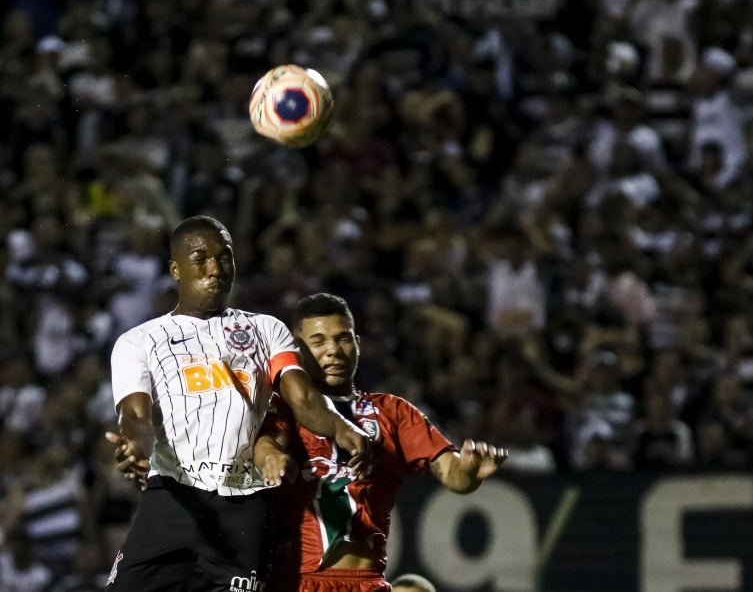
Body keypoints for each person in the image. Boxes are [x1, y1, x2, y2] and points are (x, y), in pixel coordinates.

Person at [104, 216, 370, 592]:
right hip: (174, 497)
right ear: (175, 269)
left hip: (244, 504)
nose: (214, 269)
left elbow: (302, 396)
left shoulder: (266, 330)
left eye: (223, 257)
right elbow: (135, 415)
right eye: (200, 259)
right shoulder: (139, 341)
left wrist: (341, 426)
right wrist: (135, 447)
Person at [254, 293, 508, 592]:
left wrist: (469, 470)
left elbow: (453, 474)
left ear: (357, 344)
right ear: (296, 351)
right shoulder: (284, 408)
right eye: (318, 341)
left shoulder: (393, 412)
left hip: (366, 582)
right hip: (296, 582)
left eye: (343, 339)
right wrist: (270, 457)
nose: (333, 350)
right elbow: (268, 444)